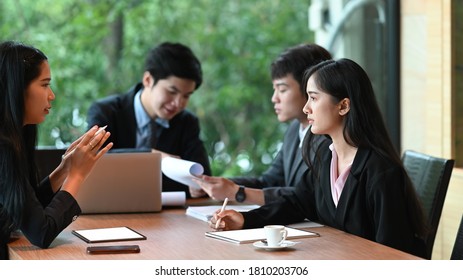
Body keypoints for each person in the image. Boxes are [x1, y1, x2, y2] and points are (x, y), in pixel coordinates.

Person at [209, 58, 428, 258]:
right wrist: (245, 219)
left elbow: (394, 254)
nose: (306, 108)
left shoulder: (381, 171)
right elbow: (298, 201)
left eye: (313, 98)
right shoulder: (325, 156)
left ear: (343, 106)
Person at [0, 41, 113, 259]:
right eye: (44, 85)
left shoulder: (13, 138)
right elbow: (41, 232)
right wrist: (78, 175)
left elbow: (30, 212)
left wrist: (64, 169)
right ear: (17, 88)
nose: (51, 95)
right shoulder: (4, 147)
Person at [195, 44, 331, 205]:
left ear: (311, 87)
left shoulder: (329, 135)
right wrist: (217, 184)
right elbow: (270, 181)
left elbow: (308, 196)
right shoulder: (295, 129)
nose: (275, 98)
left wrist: (238, 193)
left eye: (282, 89)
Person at [86, 42, 211, 197]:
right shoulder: (106, 112)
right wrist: (153, 157)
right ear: (148, 80)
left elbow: (204, 176)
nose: (178, 103)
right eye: (172, 91)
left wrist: (199, 187)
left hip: (166, 215)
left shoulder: (187, 122)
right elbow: (92, 159)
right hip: (109, 207)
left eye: (186, 96)